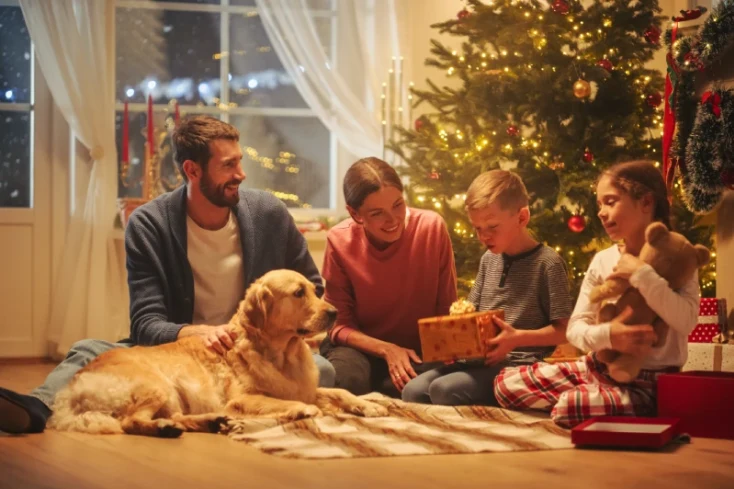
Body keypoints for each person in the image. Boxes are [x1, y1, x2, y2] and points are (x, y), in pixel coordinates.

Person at [0, 115, 335, 434]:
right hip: (180, 351)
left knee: (322, 369)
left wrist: (278, 332)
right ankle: (37, 408)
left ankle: (218, 408)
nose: (241, 174)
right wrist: (196, 332)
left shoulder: (269, 213)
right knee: (88, 350)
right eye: (228, 165)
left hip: (250, 350)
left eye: (239, 161)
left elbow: (311, 287)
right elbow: (146, 321)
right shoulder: (149, 223)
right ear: (192, 170)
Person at [494, 160, 700, 428]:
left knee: (569, 407)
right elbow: (575, 329)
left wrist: (641, 274)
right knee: (504, 384)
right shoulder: (604, 260)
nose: (601, 212)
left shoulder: (680, 258)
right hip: (595, 368)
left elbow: (687, 321)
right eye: (600, 204)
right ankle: (590, 399)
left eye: (611, 202)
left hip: (648, 384)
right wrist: (609, 336)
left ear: (646, 203)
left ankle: (593, 403)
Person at [402, 169, 574, 406]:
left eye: (492, 227)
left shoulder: (548, 263)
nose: (484, 236)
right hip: (476, 360)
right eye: (477, 228)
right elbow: (473, 314)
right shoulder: (489, 259)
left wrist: (516, 339)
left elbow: (565, 331)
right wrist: (455, 344)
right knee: (413, 391)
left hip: (517, 365)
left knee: (444, 391)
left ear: (522, 218)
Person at [319, 157, 457, 397]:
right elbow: (338, 325)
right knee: (347, 384)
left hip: (416, 351)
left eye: (398, 205)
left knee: (419, 389)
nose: (393, 219)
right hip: (360, 348)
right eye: (377, 213)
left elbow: (446, 310)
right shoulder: (339, 240)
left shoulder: (431, 228)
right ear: (354, 213)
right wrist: (387, 350)